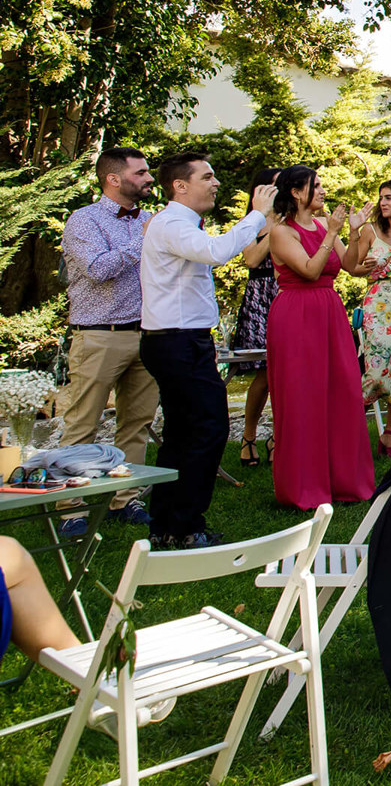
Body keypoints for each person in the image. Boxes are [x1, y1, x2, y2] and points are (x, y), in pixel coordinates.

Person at [138, 153, 276, 549]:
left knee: (183, 434)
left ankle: (167, 525)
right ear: (180, 185)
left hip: (183, 339)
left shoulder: (179, 224)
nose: (216, 183)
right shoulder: (170, 224)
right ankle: (185, 526)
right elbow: (217, 253)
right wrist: (257, 215)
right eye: (208, 177)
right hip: (176, 341)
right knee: (207, 428)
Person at [56, 147, 159, 534]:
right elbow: (98, 269)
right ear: (114, 179)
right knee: (82, 423)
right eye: (141, 172)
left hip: (147, 333)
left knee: (137, 422)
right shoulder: (83, 221)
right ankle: (70, 506)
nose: (149, 178)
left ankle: (125, 498)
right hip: (100, 335)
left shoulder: (151, 219)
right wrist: (143, 243)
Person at [263, 166, 375, 512]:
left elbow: (351, 267)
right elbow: (310, 269)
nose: (324, 191)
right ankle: (303, 487)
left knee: (341, 391)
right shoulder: (281, 232)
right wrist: (335, 233)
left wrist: (354, 234)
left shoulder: (328, 226)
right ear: (297, 193)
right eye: (317, 186)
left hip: (329, 311)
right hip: (296, 315)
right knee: (302, 396)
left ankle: (343, 481)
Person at [343, 179, 391, 458]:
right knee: (375, 370)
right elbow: (351, 267)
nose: (382, 203)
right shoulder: (370, 230)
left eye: (388, 198)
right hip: (378, 305)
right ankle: (346, 428)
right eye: (381, 198)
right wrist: (355, 238)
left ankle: (390, 433)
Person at [229, 167, 280, 470]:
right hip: (261, 295)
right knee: (264, 373)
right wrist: (274, 227)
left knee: (285, 375)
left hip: (286, 290)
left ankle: (278, 437)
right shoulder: (253, 221)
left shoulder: (296, 218)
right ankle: (249, 435)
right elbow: (251, 259)